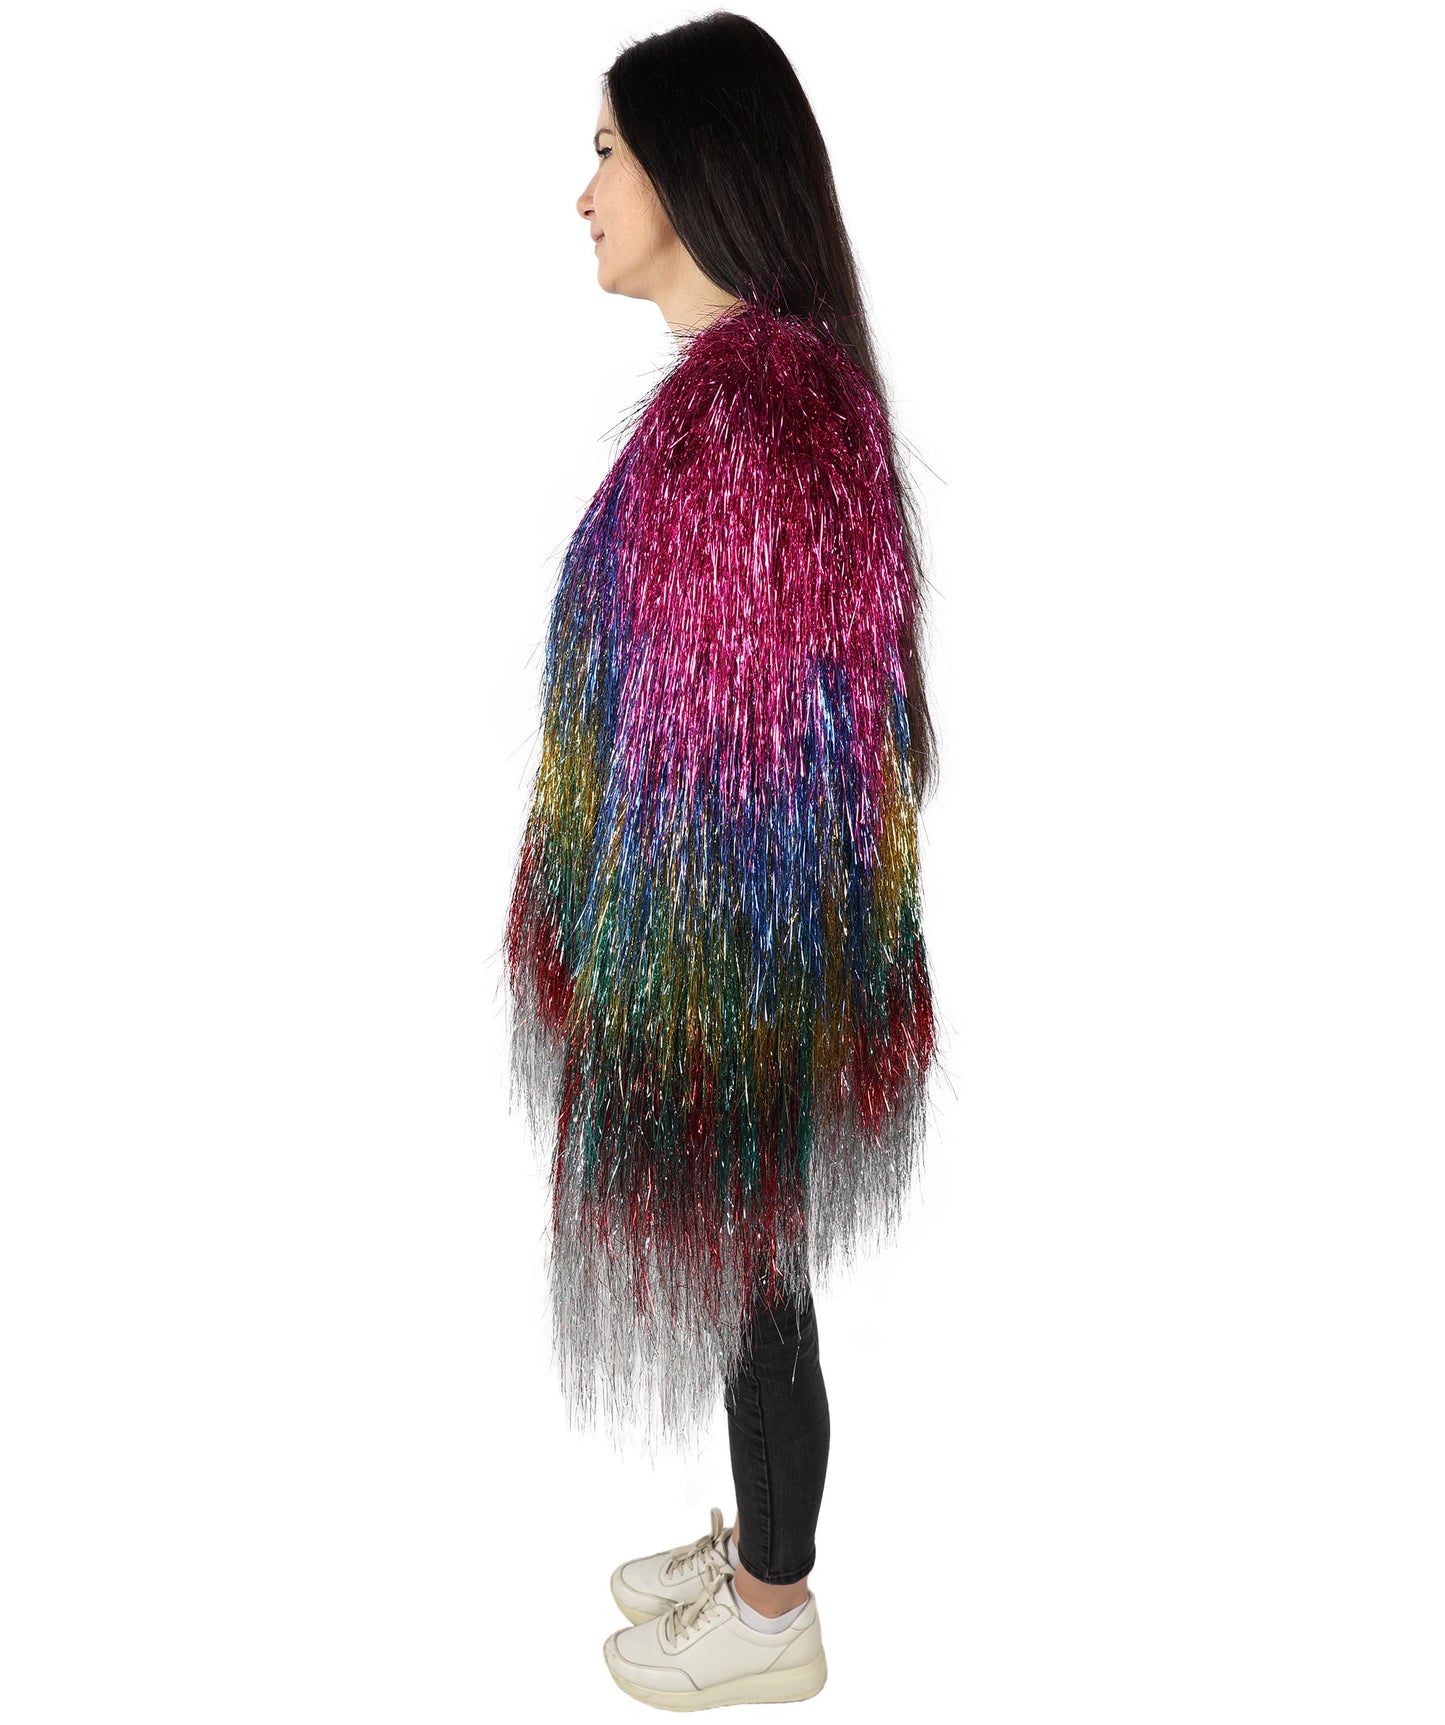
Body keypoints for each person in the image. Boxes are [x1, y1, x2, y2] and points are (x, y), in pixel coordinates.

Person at [502, 11, 941, 1709]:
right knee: (758, 1267)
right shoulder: (757, 401)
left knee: (758, 1273)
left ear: (692, 169)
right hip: (739, 950)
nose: (584, 192)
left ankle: (772, 1608)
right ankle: (760, 1548)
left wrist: (659, 969)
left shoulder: (749, 425)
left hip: (730, 960)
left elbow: (738, 766)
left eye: (607, 151)